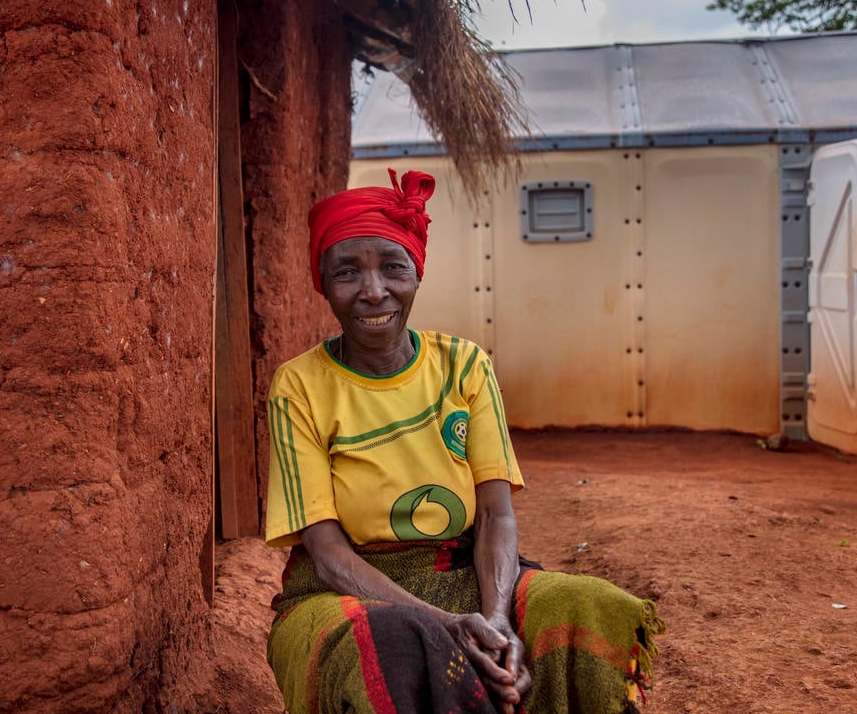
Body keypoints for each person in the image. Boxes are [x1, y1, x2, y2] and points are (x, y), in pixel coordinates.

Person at [264, 168, 663, 714]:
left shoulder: (465, 366)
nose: (373, 291)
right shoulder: (299, 386)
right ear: (323, 283)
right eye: (347, 272)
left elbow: (496, 517)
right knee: (396, 648)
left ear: (417, 272)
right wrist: (445, 625)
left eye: (393, 267)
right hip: (346, 592)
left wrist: (496, 620)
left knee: (588, 605)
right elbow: (328, 553)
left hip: (466, 574)